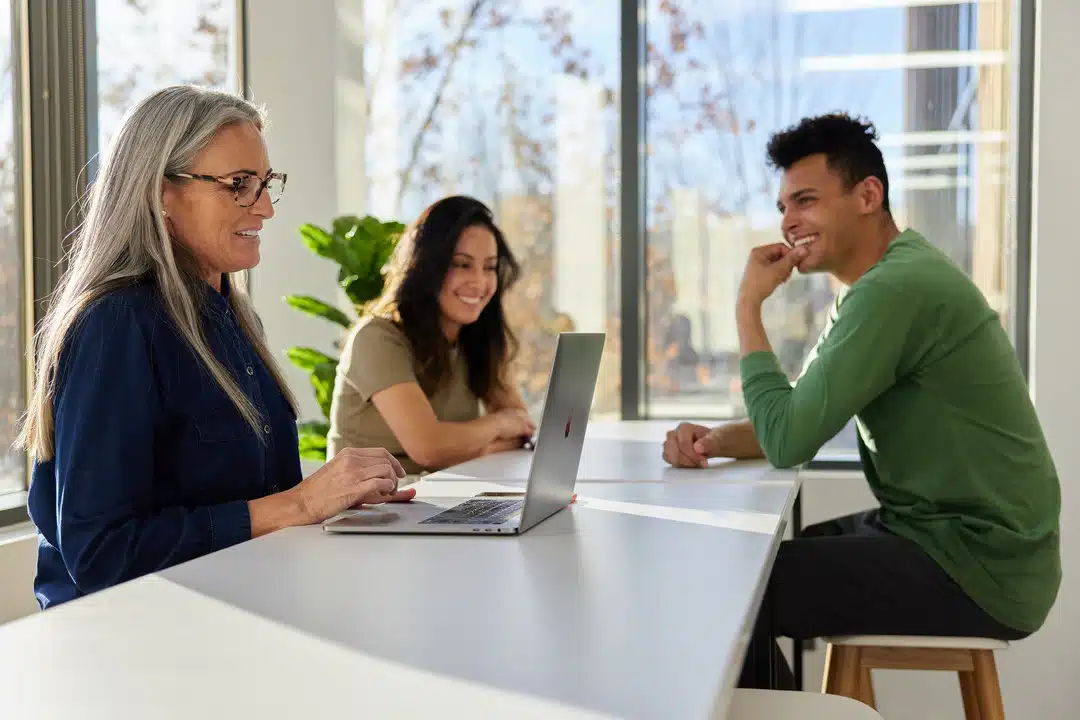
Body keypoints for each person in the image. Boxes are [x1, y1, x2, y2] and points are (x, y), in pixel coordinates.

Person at [661, 113, 1061, 690]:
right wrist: (714, 441)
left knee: (737, 588)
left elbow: (789, 439)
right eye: (782, 207)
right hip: (943, 534)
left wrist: (748, 308)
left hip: (979, 562)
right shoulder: (878, 288)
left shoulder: (895, 290)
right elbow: (797, 416)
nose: (789, 221)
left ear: (868, 194)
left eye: (805, 200)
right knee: (750, 566)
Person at [16, 86, 414, 610]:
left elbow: (257, 506)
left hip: (236, 612)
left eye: (266, 183)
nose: (266, 207)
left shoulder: (234, 318)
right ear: (161, 192)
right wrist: (299, 504)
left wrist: (332, 501)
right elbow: (102, 553)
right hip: (134, 645)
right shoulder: (116, 323)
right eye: (239, 185)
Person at [327, 195, 535, 475]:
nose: (479, 281)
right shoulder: (376, 338)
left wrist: (477, 447)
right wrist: (496, 426)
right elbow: (429, 447)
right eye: (462, 264)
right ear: (426, 267)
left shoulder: (475, 340)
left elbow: (522, 428)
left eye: (489, 267)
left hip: (440, 498)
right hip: (370, 510)